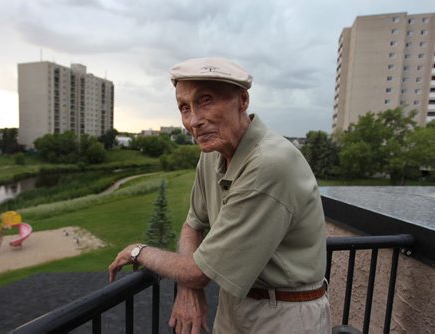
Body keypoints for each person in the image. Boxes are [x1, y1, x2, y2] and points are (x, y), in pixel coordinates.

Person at [108, 57, 331, 333]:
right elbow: (193, 225)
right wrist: (189, 287)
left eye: (206, 101)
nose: (194, 121)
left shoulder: (269, 164)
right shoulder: (212, 153)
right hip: (234, 306)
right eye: (184, 107)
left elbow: (198, 272)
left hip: (284, 314)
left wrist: (137, 251)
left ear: (243, 100)